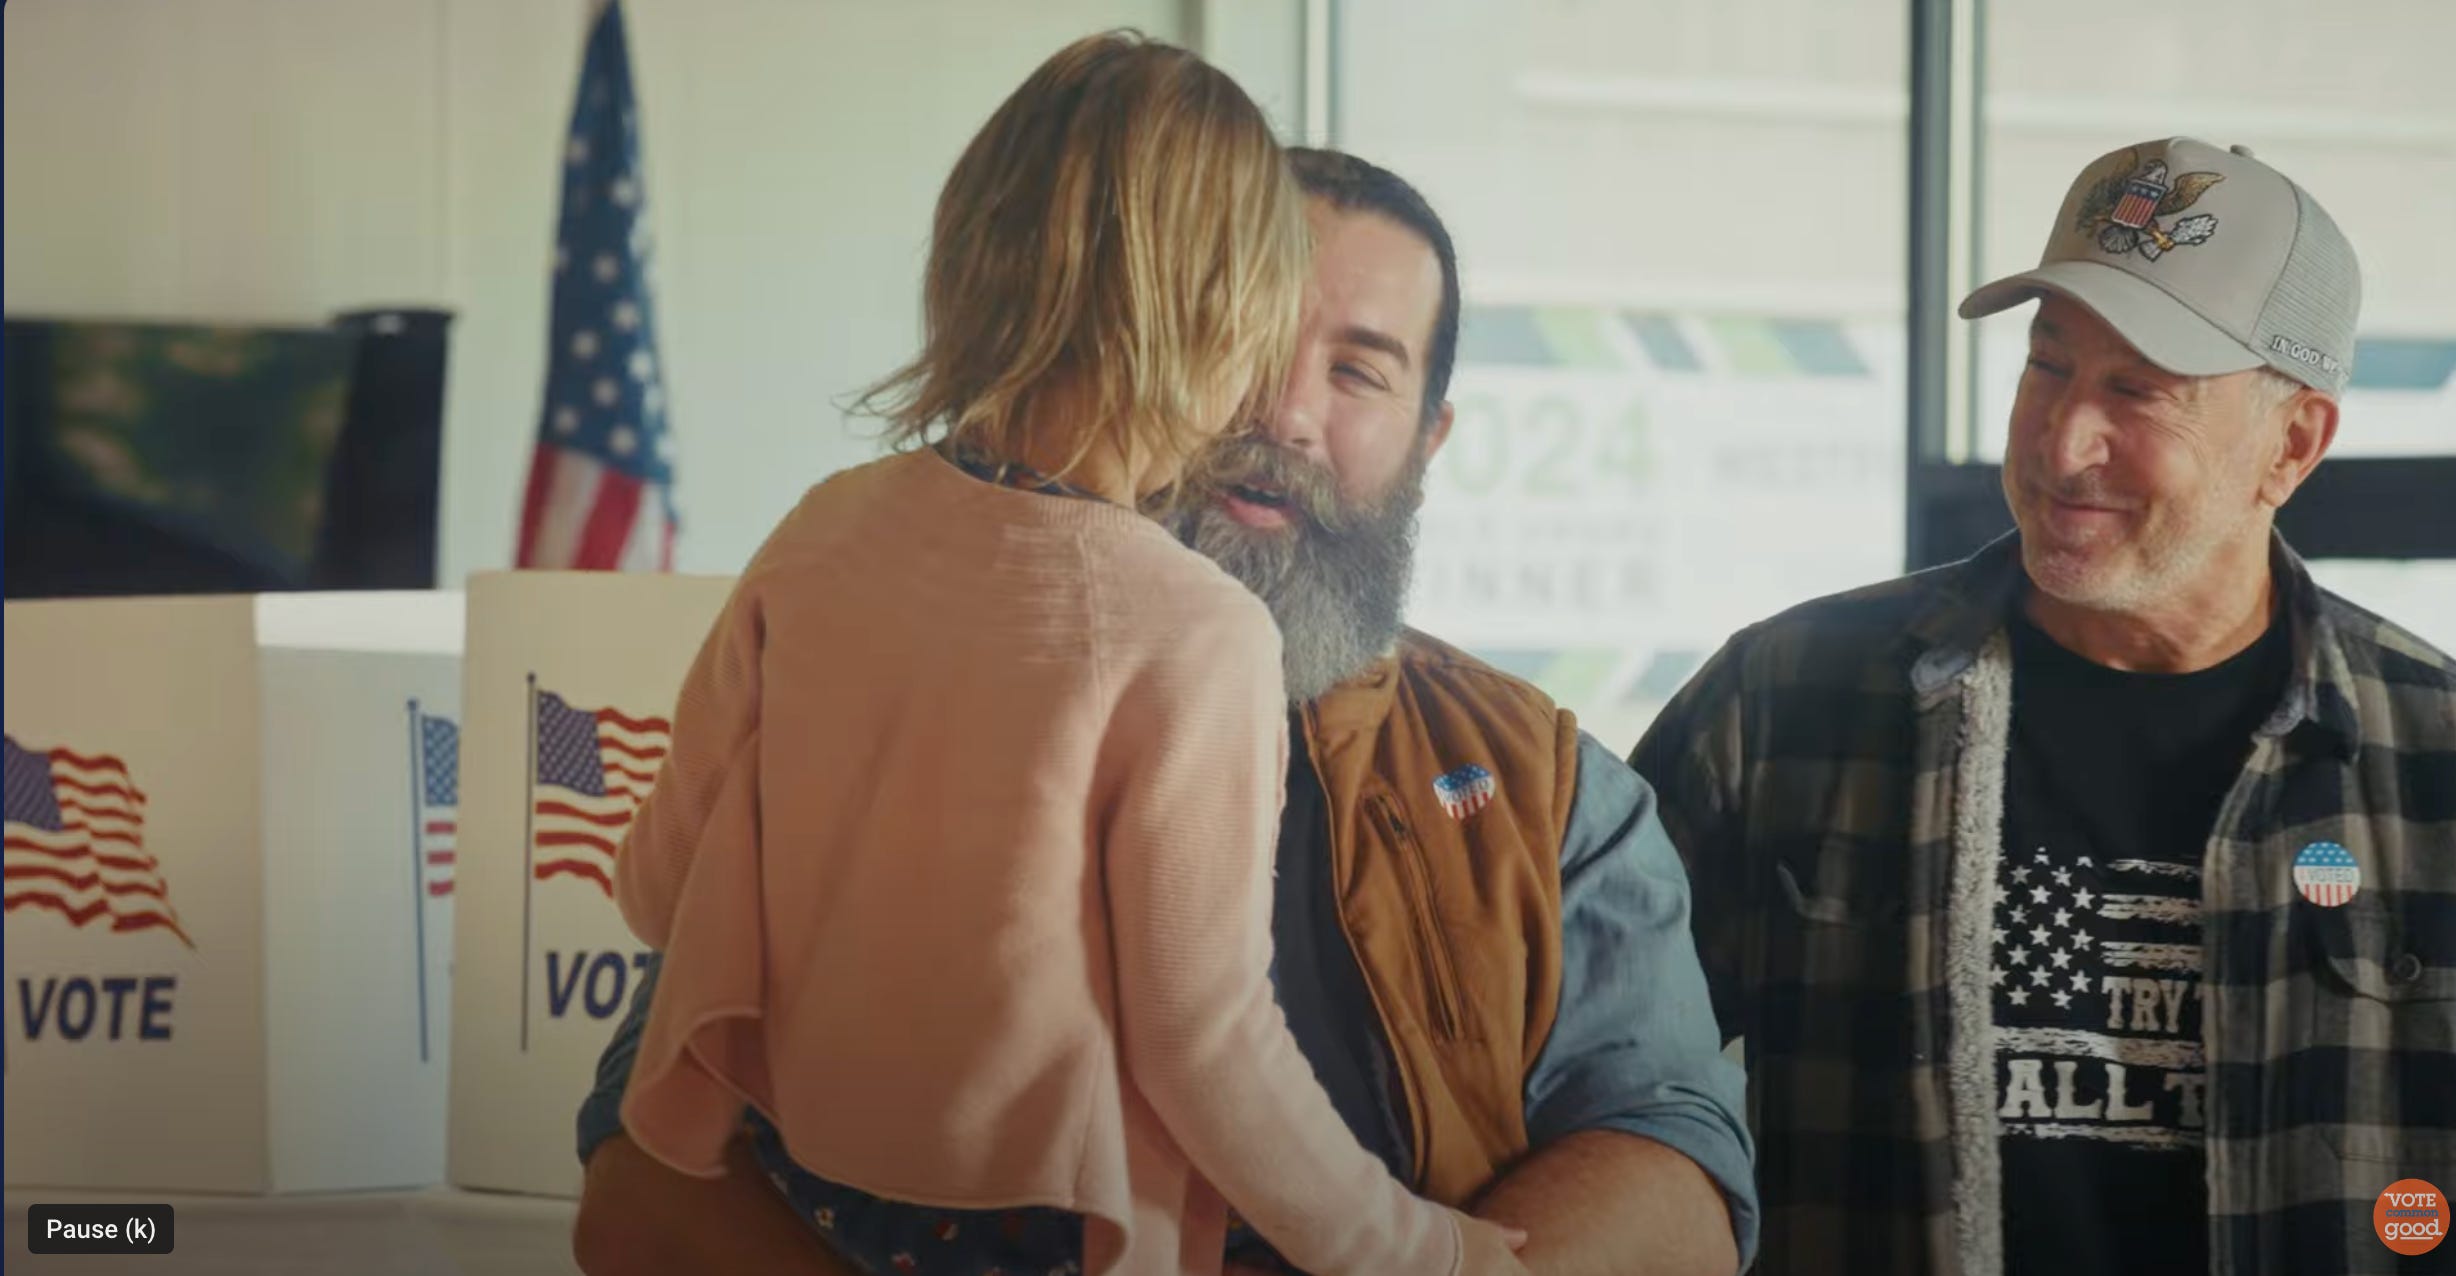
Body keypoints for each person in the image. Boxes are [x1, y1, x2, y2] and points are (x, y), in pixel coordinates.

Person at [573, 147, 1759, 1276]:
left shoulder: (1550, 792)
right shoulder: (885, 691)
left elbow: (1677, 1185)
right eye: (1246, 337)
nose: (1284, 412)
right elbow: (643, 1179)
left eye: (1356, 371)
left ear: (1428, 436)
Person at [1633, 136, 2456, 1276]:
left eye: (2137, 391)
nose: (2063, 443)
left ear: (2292, 443)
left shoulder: (2430, 761)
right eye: (2046, 365)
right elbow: (1585, 1081)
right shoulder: (1781, 706)